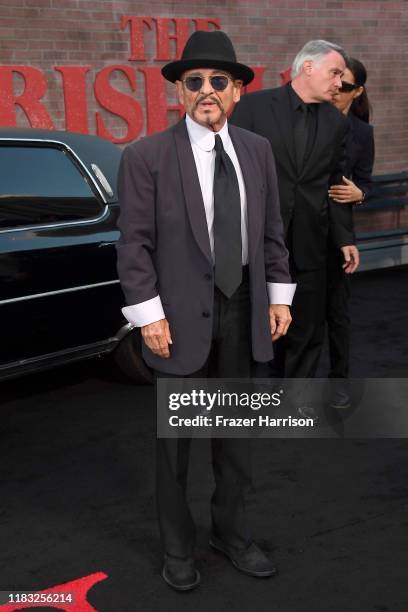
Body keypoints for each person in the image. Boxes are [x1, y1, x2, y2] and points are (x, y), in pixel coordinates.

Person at [116, 30, 295, 591]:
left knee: (236, 437)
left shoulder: (258, 151)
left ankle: (232, 534)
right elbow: (133, 244)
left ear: (238, 91)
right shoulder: (145, 156)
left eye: (220, 80)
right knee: (176, 446)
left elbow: (271, 232)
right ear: (179, 93)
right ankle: (177, 548)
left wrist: (279, 295)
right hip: (176, 316)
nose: (207, 90)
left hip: (243, 307)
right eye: (194, 82)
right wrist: (148, 316)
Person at [230, 40, 359, 385]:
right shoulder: (253, 107)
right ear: (308, 68)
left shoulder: (337, 122)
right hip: (256, 241)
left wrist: (344, 237)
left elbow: (336, 185)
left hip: (311, 242)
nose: (339, 83)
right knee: (253, 323)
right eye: (335, 74)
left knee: (307, 327)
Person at [327, 57, 374, 407]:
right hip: (300, 230)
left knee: (338, 315)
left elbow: (365, 181)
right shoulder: (308, 117)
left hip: (340, 235)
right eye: (334, 79)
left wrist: (360, 194)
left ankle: (337, 384)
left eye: (344, 86)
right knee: (291, 311)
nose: (335, 89)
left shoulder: (362, 132)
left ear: (356, 91)